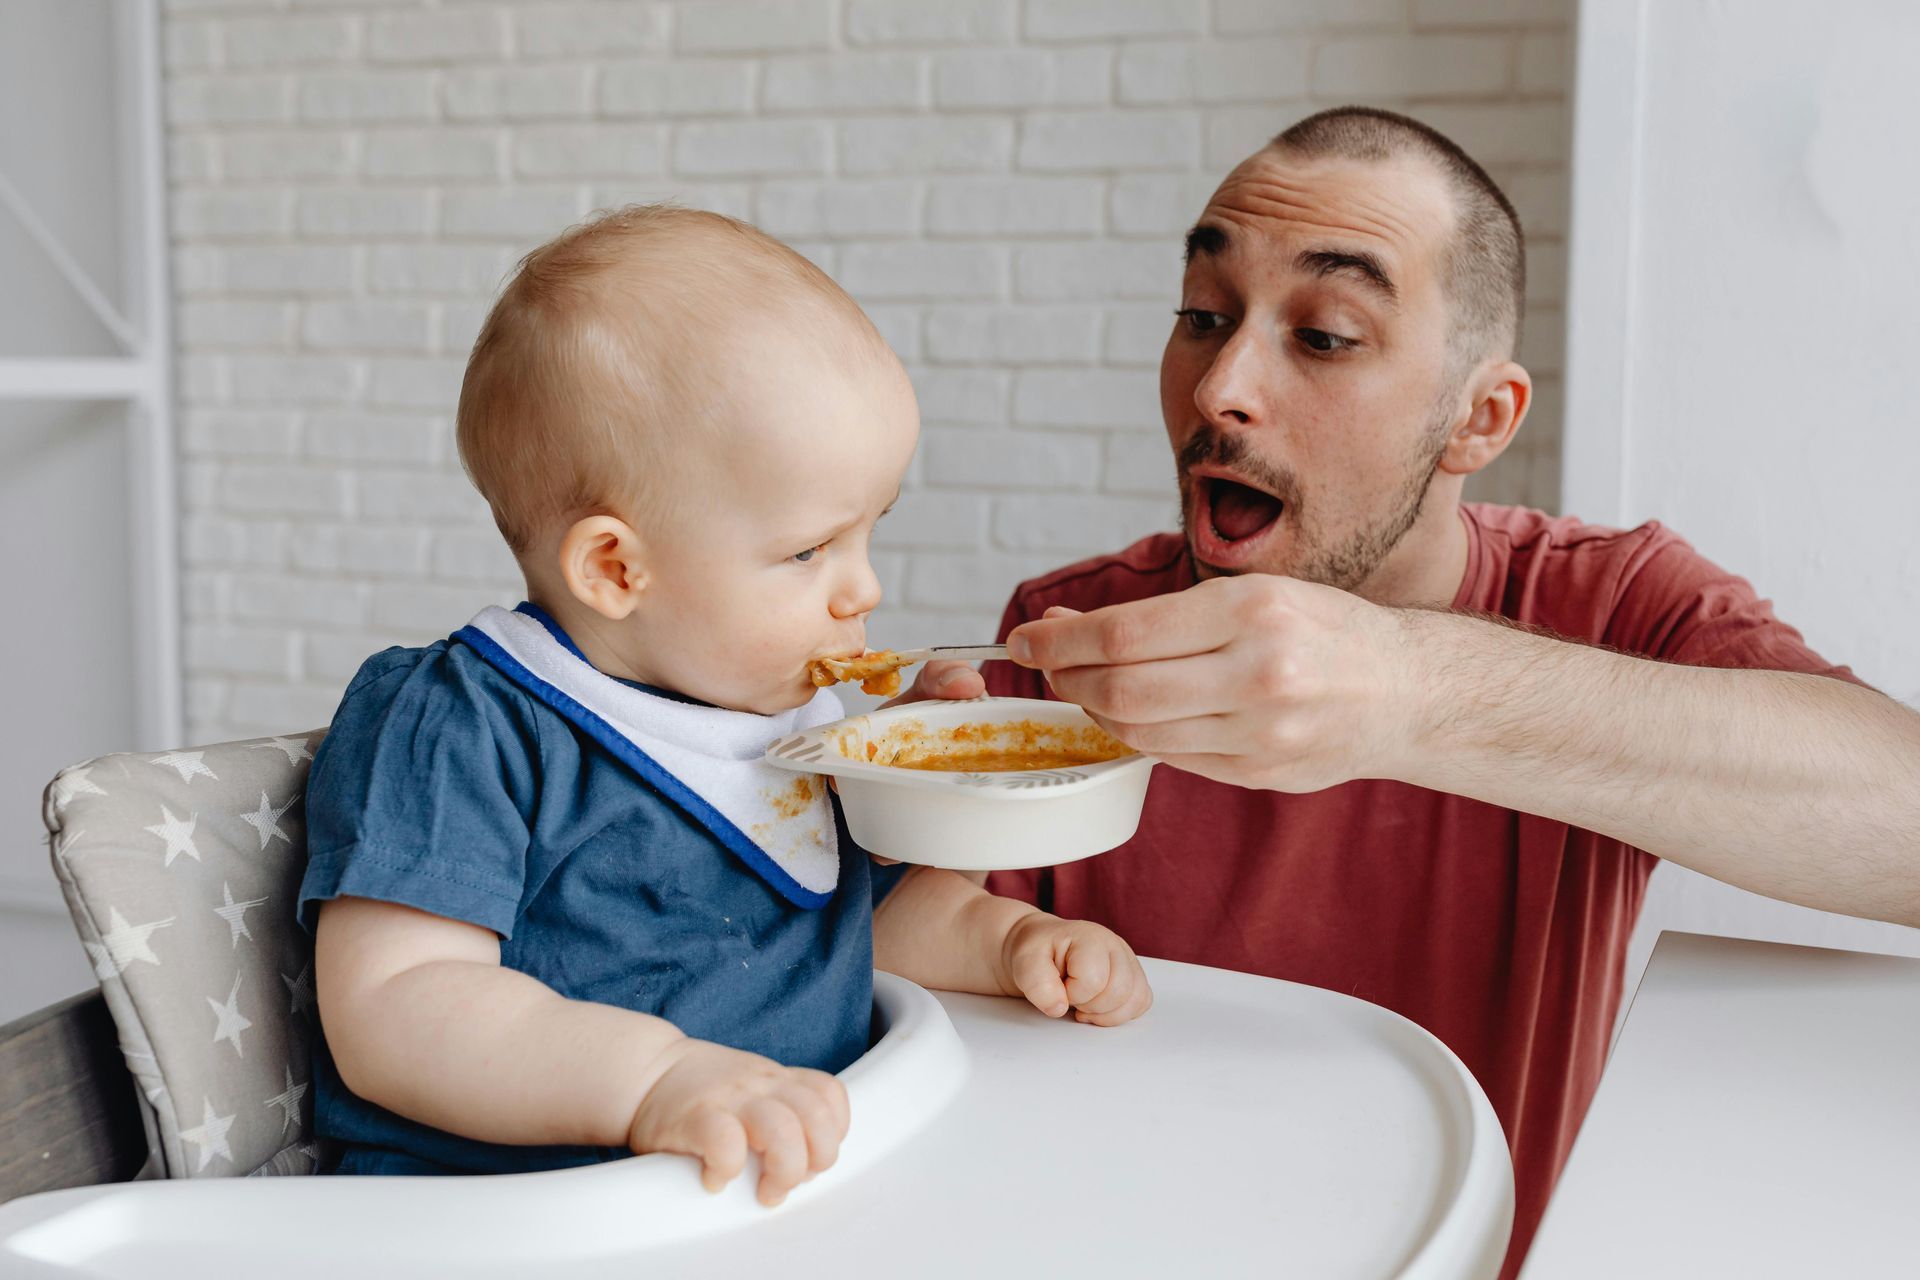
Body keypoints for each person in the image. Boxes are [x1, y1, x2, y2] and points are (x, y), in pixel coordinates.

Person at [905, 107, 1920, 1275]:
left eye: (1326, 334)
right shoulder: (1073, 626)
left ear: (1478, 419)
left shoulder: (1615, 602)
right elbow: (951, 1011)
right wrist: (899, 823)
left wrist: (1412, 690)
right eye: (1202, 315)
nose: (1220, 388)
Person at [297, 206, 1151, 1206]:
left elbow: (852, 932)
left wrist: (1007, 942)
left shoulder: (794, 721)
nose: (862, 588)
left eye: (868, 534)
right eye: (806, 552)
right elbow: (397, 1008)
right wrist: (653, 1080)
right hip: (517, 1217)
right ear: (618, 566)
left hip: (783, 1191)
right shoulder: (465, 723)